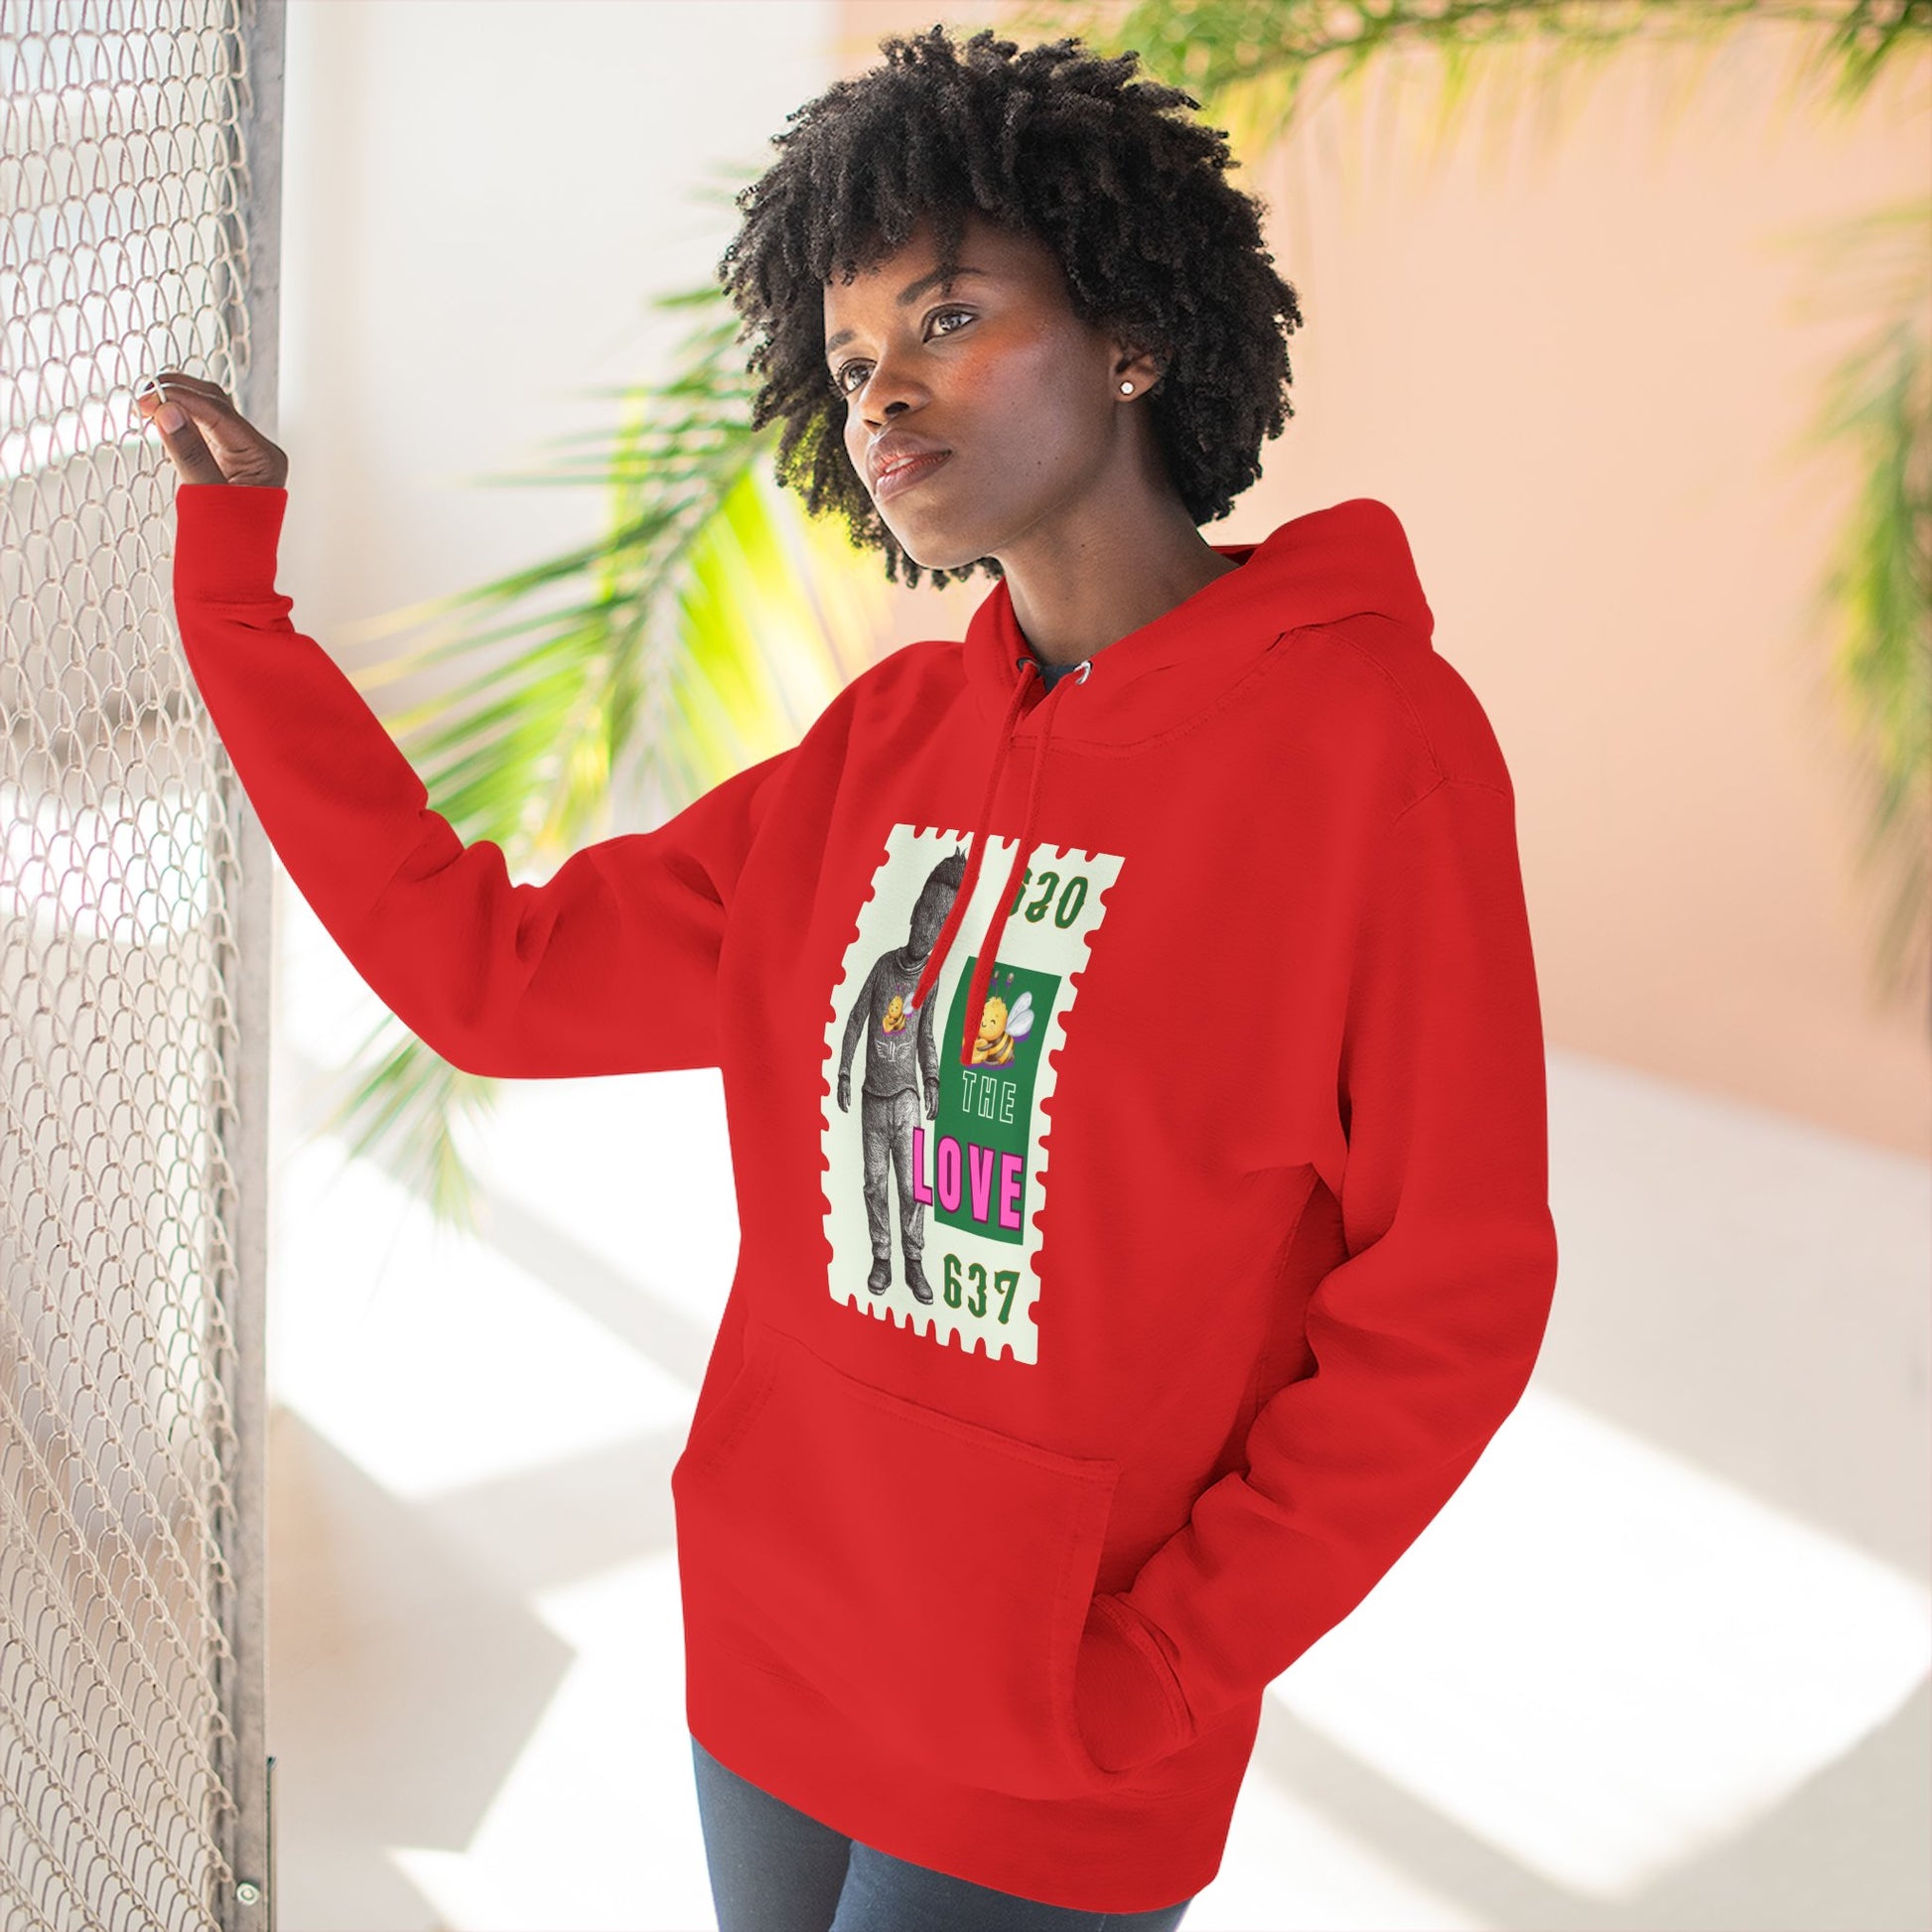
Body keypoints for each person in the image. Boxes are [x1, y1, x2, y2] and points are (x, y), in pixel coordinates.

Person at [143, 24, 1559, 1931]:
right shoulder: (883, 748)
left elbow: (1450, 1291)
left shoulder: (1365, 747)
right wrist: (237, 605)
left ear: (1133, 331)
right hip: (777, 1645)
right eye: (849, 355)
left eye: (949, 316)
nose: (883, 391)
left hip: (1063, 1727)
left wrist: (1162, 1665)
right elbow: (495, 976)